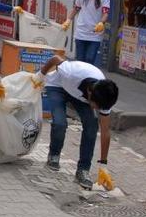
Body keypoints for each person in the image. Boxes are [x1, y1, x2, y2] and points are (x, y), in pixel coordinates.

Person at [34, 55, 119, 189]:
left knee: (92, 126)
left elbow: (105, 131)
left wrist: (103, 164)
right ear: (90, 94)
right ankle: (54, 155)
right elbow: (55, 59)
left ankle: (83, 170)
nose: (96, 109)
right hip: (58, 86)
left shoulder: (105, 95)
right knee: (60, 123)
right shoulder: (71, 72)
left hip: (79, 96)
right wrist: (40, 75)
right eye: (96, 105)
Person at [62, 0, 110, 66]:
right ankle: (81, 80)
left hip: (95, 34)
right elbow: (75, 9)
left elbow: (105, 13)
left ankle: (87, 79)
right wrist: (68, 20)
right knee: (80, 61)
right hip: (81, 33)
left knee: (90, 59)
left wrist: (101, 23)